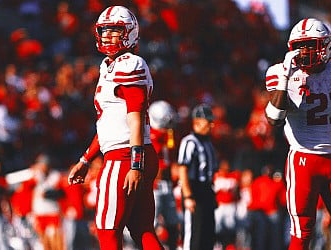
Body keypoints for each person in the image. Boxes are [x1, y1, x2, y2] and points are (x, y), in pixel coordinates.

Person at [67, 5, 163, 250]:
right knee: (143, 231)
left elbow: (135, 116)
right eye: (105, 31)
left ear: (129, 33)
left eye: (115, 31)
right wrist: (86, 160)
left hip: (125, 156)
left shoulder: (130, 64)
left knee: (107, 229)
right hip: (127, 153)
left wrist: (135, 163)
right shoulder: (109, 66)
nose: (108, 36)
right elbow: (109, 124)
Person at [264, 18, 331, 249]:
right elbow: (274, 119)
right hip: (303, 161)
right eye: (300, 45)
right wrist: (285, 78)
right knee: (303, 233)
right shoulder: (282, 73)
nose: (304, 51)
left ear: (326, 46)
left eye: (310, 44)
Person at [177, 103, 218, 250]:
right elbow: (182, 170)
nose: (212, 125)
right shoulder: (189, 142)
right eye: (209, 121)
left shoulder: (208, 143)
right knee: (194, 234)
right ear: (197, 122)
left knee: (208, 235)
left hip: (207, 191)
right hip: (195, 191)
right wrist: (188, 196)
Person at [148, 100, 180, 250]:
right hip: (155, 186)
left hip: (167, 185)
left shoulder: (167, 134)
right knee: (151, 223)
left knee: (173, 222)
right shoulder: (150, 136)